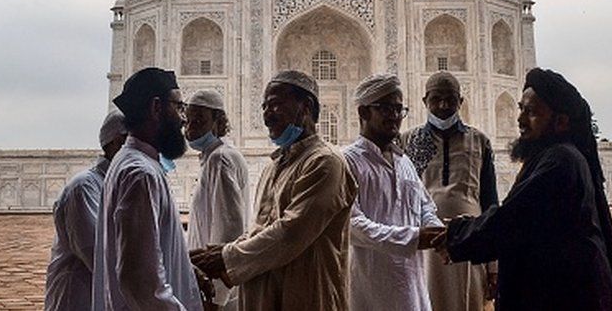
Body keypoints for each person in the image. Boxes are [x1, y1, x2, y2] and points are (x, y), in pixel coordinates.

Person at [436, 67, 612, 310]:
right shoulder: (553, 156)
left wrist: (456, 236)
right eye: (521, 109)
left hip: (563, 294)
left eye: (531, 112)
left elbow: (513, 220)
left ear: (560, 121)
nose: (520, 119)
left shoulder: (561, 160)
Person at [192, 70, 358, 310]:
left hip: (309, 295)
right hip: (264, 294)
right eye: (264, 107)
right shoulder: (275, 165)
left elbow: (291, 233)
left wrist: (226, 257)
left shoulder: (325, 162)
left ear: (306, 107)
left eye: (275, 105)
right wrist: (224, 259)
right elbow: (261, 229)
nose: (267, 116)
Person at [93, 67, 202, 311]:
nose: (183, 118)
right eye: (178, 107)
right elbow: (141, 283)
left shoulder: (132, 162)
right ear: (156, 108)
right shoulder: (140, 174)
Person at [344, 73, 445, 311]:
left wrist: (439, 231)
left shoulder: (404, 162)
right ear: (363, 112)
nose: (396, 117)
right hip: (370, 286)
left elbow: (425, 207)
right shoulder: (348, 162)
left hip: (412, 285)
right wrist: (413, 238)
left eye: (399, 110)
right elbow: (352, 225)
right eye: (387, 109)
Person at [399, 71, 498, 310]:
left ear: (460, 102)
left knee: (467, 301)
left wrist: (493, 266)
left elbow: (490, 203)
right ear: (425, 101)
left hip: (469, 238)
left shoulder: (479, 141)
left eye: (450, 99)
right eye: (436, 99)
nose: (443, 105)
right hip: (425, 242)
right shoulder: (407, 141)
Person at [45, 111, 127, 311]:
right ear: (117, 143)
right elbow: (97, 253)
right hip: (78, 298)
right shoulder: (84, 187)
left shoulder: (117, 184)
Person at [185, 89, 249, 311]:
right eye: (188, 121)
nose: (190, 128)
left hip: (214, 292)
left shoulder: (220, 160)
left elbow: (228, 231)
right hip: (208, 285)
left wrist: (216, 296)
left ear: (218, 122)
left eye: (199, 121)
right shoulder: (214, 158)